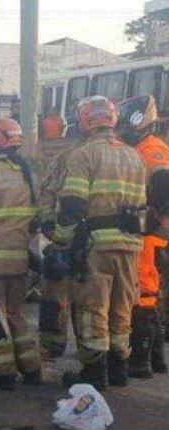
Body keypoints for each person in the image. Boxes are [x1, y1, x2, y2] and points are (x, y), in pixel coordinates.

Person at [51, 96, 147, 390]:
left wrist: (62, 244)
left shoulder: (83, 155)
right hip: (130, 245)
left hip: (96, 244)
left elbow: (72, 206)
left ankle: (95, 371)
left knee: (94, 306)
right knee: (122, 306)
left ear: (85, 121)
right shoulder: (135, 156)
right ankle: (119, 367)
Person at [0, 118, 43, 388]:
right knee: (16, 314)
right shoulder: (27, 171)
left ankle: (3, 374)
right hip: (20, 258)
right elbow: (37, 216)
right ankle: (32, 369)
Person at [132, 170, 169, 377]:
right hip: (158, 252)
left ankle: (140, 363)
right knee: (152, 308)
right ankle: (156, 360)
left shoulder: (153, 222)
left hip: (149, 256)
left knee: (144, 307)